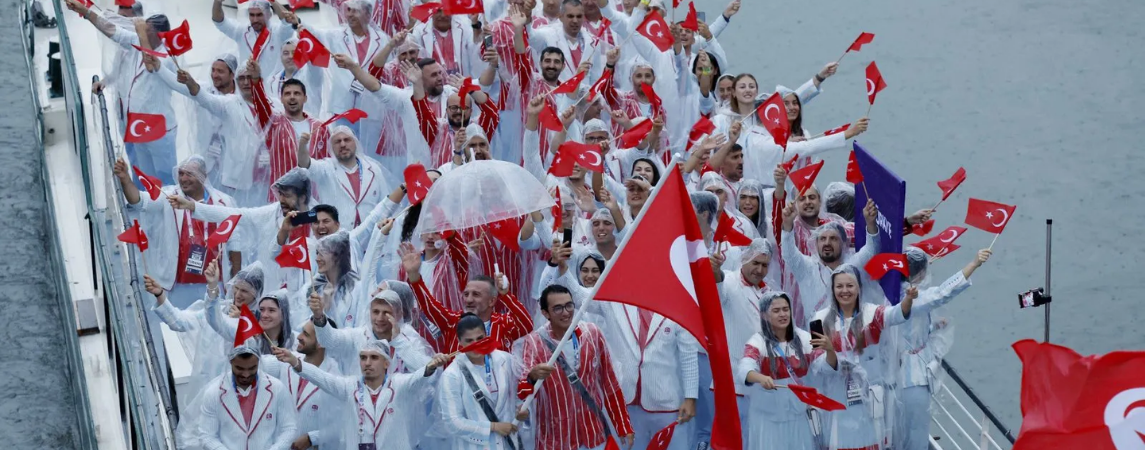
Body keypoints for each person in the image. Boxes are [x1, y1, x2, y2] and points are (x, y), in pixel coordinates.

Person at [65, 0, 180, 184]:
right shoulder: (136, 42)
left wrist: (141, 32)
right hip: (138, 123)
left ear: (159, 35)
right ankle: (145, 207)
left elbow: (151, 65)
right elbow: (111, 30)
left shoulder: (168, 56)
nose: (140, 32)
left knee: (165, 176)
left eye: (146, 30)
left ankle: (172, 211)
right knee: (144, 174)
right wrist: (86, 12)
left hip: (159, 128)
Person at [810, 264, 922, 450]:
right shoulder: (818, 320)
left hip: (870, 399)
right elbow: (818, 366)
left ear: (859, 288)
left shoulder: (873, 314)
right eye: (839, 286)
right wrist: (831, 351)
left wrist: (909, 299)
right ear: (832, 289)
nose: (845, 291)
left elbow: (897, 314)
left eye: (850, 285)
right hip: (837, 398)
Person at [892, 246, 991, 450]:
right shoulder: (912, 297)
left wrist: (933, 325)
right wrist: (973, 264)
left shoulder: (888, 292)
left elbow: (907, 326)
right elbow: (943, 292)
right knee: (915, 434)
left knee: (896, 433)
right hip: (911, 379)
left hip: (894, 375)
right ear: (921, 273)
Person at [272, 340, 451, 450]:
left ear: (386, 363)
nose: (367, 363)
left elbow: (419, 377)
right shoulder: (349, 386)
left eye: (374, 357)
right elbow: (322, 378)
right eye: (363, 357)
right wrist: (295, 361)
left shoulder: (399, 385)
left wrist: (432, 365)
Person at [517, 285, 635, 450]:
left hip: (594, 436)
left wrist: (623, 425)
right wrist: (532, 376)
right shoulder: (534, 343)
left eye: (569, 305)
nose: (566, 312)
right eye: (557, 308)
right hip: (556, 441)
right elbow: (523, 392)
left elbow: (610, 383)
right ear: (545, 313)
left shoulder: (593, 334)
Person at [114, 156, 242, 307]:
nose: (184, 179)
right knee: (180, 327)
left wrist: (234, 282)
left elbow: (235, 245)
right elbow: (139, 201)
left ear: (203, 176)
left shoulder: (224, 202)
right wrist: (126, 180)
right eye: (181, 174)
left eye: (190, 174)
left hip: (214, 283)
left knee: (211, 327)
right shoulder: (169, 196)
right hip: (178, 285)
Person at [169, 168, 315, 292]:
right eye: (280, 195)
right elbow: (233, 214)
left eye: (287, 196)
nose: (281, 200)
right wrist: (192, 206)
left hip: (308, 297)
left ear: (302, 198)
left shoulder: (320, 219)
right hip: (272, 295)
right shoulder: (270, 213)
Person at [736, 292, 837, 450]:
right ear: (764, 315)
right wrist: (760, 378)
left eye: (786, 309)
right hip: (768, 421)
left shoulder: (804, 338)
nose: (783, 314)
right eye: (776, 311)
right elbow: (744, 369)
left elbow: (824, 368)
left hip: (798, 418)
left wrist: (830, 351)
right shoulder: (757, 341)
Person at [401, 242, 534, 352]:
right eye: (466, 294)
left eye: (476, 294)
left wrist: (505, 295)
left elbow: (526, 324)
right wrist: (414, 275)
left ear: (492, 301)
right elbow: (429, 306)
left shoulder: (504, 323)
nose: (469, 300)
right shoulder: (453, 321)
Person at [170, 57, 268, 206]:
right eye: (242, 78)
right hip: (224, 173)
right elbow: (199, 95)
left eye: (220, 71)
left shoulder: (272, 105)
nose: (246, 82)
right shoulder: (228, 102)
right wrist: (159, 69)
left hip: (259, 174)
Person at [779, 198, 882, 328]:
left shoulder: (853, 266)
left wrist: (871, 223)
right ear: (816, 244)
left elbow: (872, 249)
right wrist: (787, 225)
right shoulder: (806, 269)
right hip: (818, 340)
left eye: (833, 238)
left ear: (844, 244)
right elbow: (789, 254)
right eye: (822, 239)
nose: (827, 243)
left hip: (852, 339)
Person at [437, 314, 527, 450]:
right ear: (459, 341)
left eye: (480, 338)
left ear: (487, 335)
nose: (476, 344)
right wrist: (493, 427)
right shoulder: (451, 375)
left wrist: (522, 411)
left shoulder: (507, 360)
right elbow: (452, 422)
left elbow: (518, 396)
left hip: (509, 444)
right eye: (469, 341)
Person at [247, 60, 332, 202]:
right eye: (287, 94)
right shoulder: (273, 123)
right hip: (283, 199)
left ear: (305, 98)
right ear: (281, 99)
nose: (292, 97)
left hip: (314, 200)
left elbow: (329, 166)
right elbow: (260, 104)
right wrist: (256, 80)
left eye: (297, 93)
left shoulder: (320, 128)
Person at [257, 320, 342, 450]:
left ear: (321, 343)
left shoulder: (335, 376)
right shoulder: (288, 358)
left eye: (306, 334)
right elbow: (258, 365)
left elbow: (342, 424)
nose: (299, 337)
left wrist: (312, 438)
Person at [311, 288, 434, 376]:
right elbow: (329, 341)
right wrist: (319, 317)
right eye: (376, 312)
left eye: (387, 313)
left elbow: (428, 372)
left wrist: (398, 342)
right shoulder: (358, 336)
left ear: (399, 314)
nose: (380, 318)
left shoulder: (410, 340)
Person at [198, 345, 298, 450]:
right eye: (239, 368)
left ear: (259, 362)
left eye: (252, 368)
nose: (246, 374)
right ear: (230, 362)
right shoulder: (214, 393)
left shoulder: (277, 388)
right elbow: (207, 435)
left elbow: (289, 428)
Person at [298, 125, 391, 228]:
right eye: (337, 142)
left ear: (355, 143)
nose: (342, 144)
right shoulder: (325, 168)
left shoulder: (373, 169)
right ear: (332, 147)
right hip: (336, 236)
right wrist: (302, 145)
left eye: (347, 140)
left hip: (369, 235)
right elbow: (305, 163)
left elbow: (385, 202)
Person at [211, 0, 295, 74]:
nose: (255, 19)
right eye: (252, 15)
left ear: (269, 14)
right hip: (248, 86)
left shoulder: (279, 32)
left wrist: (272, 1)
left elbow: (288, 21)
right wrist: (217, 2)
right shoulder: (241, 32)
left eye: (259, 15)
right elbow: (219, 22)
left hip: (273, 88)